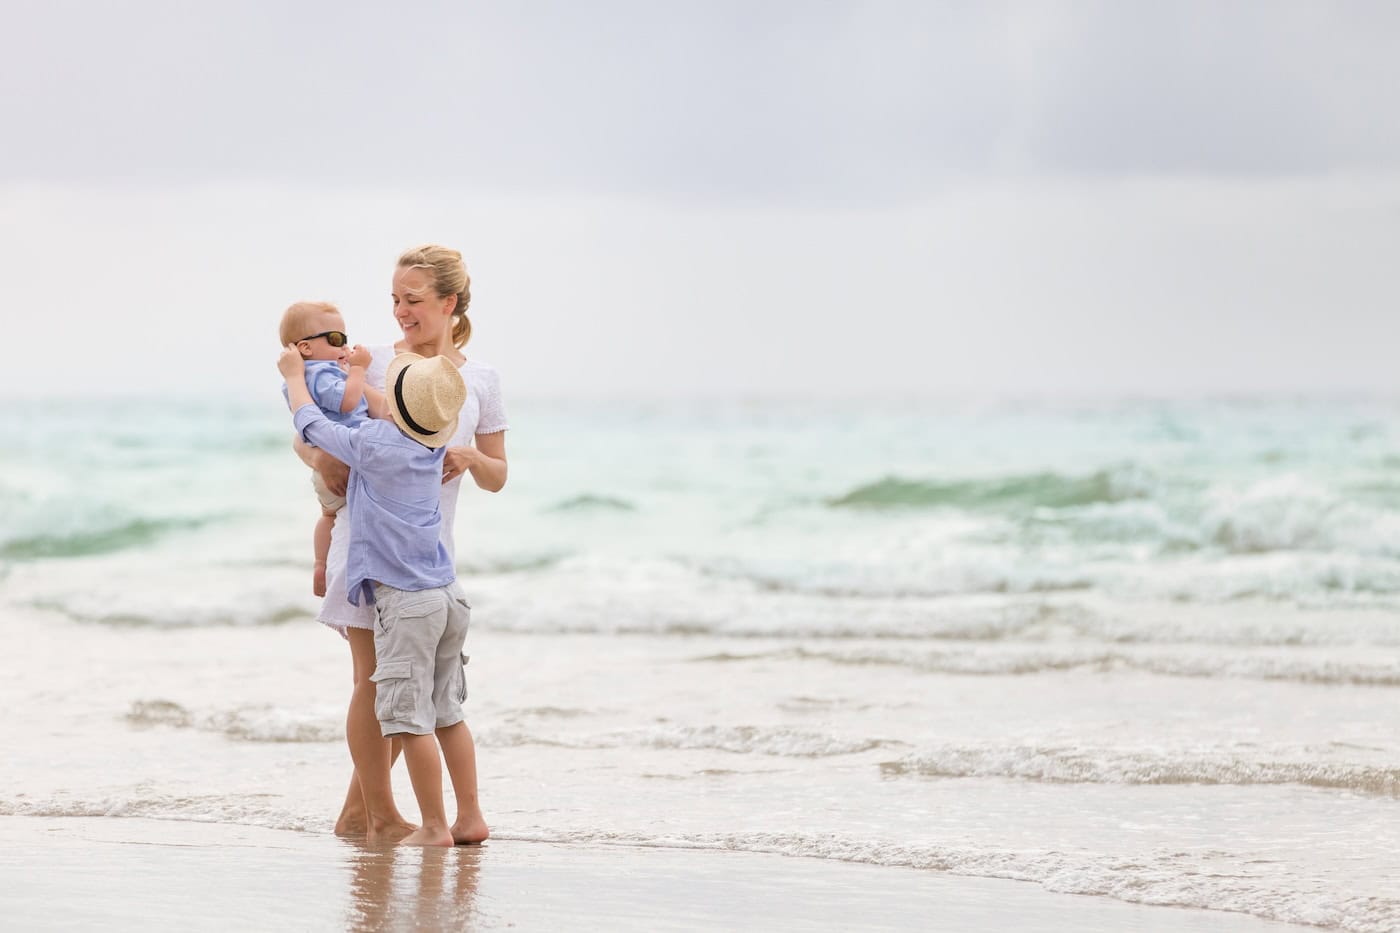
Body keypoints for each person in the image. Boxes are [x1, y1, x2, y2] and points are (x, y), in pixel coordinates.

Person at [295, 245, 507, 844]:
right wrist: (319, 458)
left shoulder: (480, 380)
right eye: (394, 299)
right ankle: (378, 814)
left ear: (450, 302)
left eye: (412, 300)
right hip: (366, 543)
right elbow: (312, 427)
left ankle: (362, 814)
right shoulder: (376, 364)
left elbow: (499, 475)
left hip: (429, 555)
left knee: (404, 683)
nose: (400, 312)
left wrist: (468, 457)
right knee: (376, 678)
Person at [280, 346, 480, 847]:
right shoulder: (432, 447)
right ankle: (470, 816)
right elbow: (392, 408)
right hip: (448, 596)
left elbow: (312, 425)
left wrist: (294, 377)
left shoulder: (372, 443)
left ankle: (433, 827)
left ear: (391, 404)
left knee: (408, 722)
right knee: (447, 714)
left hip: (406, 605)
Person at [277, 301, 388, 597]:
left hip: (325, 466)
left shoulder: (306, 377)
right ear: (306, 348)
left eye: (345, 338)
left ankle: (320, 564)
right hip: (344, 461)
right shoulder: (320, 374)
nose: (344, 345)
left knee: (328, 516)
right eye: (336, 339)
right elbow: (348, 402)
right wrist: (358, 370)